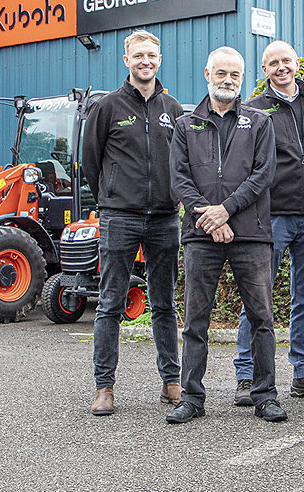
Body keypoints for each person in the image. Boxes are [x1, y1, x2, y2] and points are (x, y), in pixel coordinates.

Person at [167, 47, 284, 424]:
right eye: (221, 73)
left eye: (235, 74)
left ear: (244, 78)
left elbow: (263, 174)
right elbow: (179, 180)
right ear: (207, 74)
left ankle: (265, 394)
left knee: (261, 317)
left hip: (251, 233)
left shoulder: (260, 122)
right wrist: (212, 218)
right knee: (195, 320)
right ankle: (192, 398)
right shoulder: (186, 125)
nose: (228, 80)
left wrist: (226, 210)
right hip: (201, 234)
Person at [81, 29, 185, 416]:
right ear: (127, 60)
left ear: (160, 60)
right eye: (138, 55)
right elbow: (91, 163)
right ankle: (104, 387)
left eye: (152, 56)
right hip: (119, 218)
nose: (146, 61)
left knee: (164, 302)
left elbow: (182, 163)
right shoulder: (107, 108)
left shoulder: (173, 109)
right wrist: (111, 197)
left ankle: (171, 380)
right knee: (110, 303)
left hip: (163, 218)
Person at [235, 40, 304, 403]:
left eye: (286, 61)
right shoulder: (252, 111)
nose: (281, 67)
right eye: (273, 63)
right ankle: (248, 374)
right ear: (264, 71)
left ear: (296, 63)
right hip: (271, 217)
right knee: (256, 299)